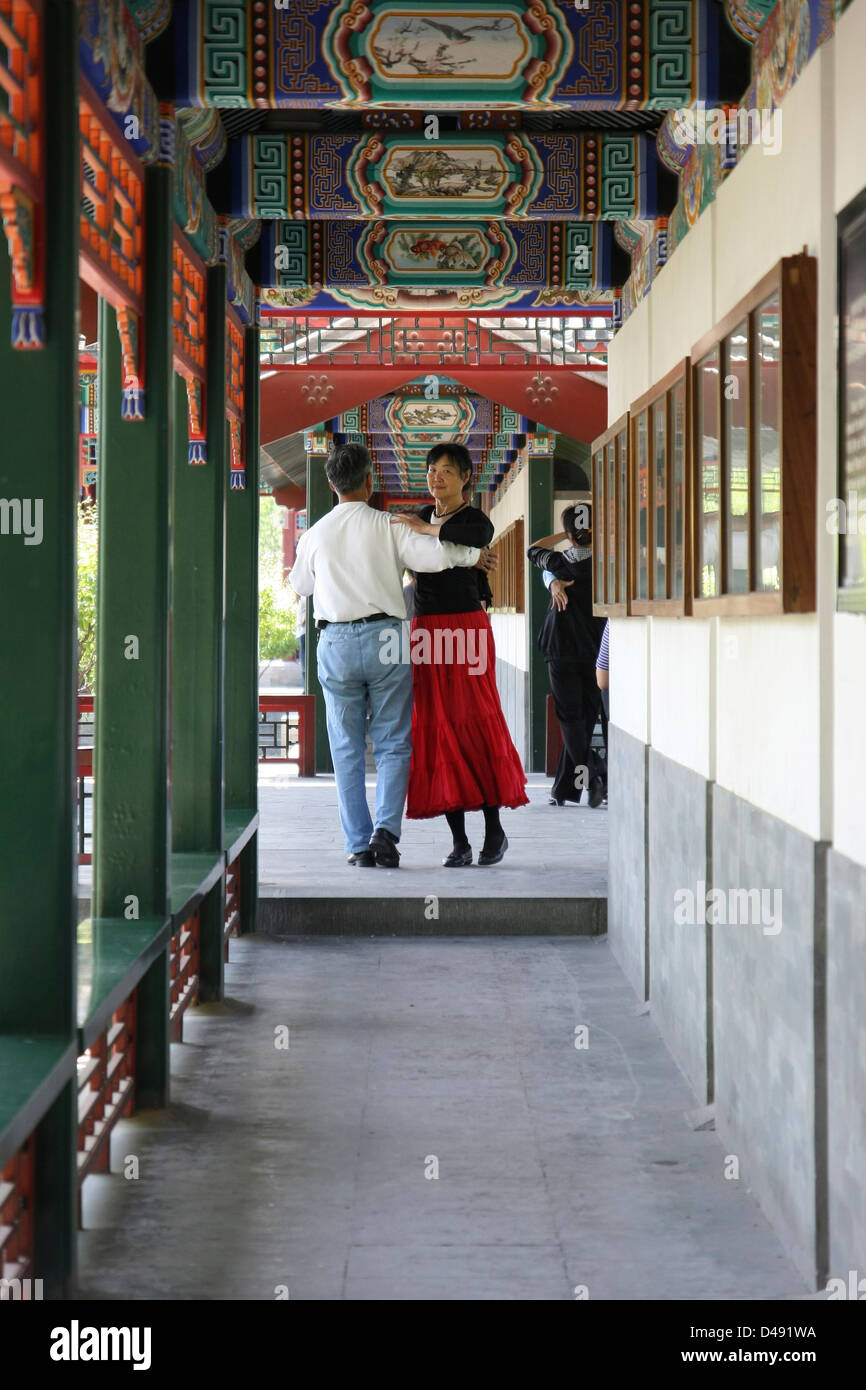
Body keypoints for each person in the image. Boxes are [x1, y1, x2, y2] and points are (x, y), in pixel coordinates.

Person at [289, 442, 493, 869]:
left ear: (330, 484)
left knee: (345, 747)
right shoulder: (389, 525)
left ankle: (359, 845)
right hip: (387, 640)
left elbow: (302, 586)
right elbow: (436, 558)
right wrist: (474, 555)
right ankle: (387, 832)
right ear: (370, 481)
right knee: (394, 743)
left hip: (337, 642)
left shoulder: (314, 534)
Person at [390, 443, 528, 866]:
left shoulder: (471, 519)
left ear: (466, 477)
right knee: (437, 727)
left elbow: (477, 538)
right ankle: (459, 841)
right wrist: (427, 531)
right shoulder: (417, 513)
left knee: (475, 723)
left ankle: (494, 830)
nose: (436, 478)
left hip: (467, 627)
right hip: (426, 630)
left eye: (446, 471)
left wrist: (427, 529)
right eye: (431, 470)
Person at [527, 504, 607, 809]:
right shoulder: (605, 565)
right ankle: (568, 788)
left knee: (570, 718)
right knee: (583, 719)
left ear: (571, 536)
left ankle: (591, 775)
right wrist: (586, 533)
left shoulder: (558, 562)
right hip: (595, 649)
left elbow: (534, 549)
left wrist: (567, 532)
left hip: (560, 647)